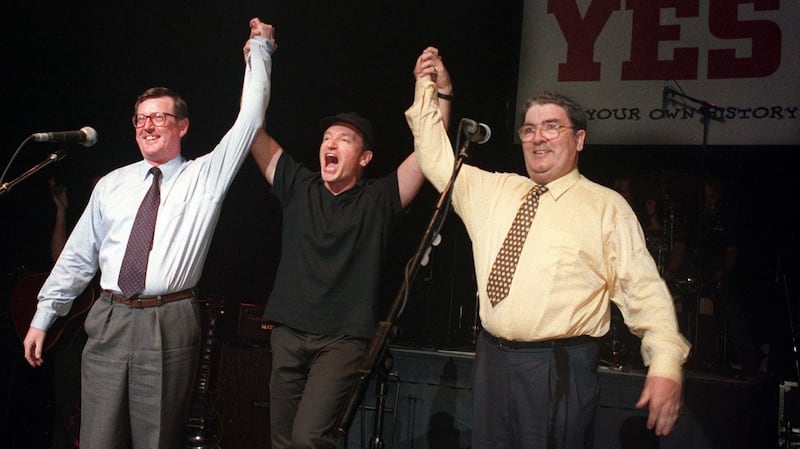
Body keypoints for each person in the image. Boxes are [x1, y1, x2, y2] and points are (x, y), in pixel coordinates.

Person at [21, 18, 276, 449]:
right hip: (108, 317)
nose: (148, 125)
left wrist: (261, 51)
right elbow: (78, 257)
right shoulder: (112, 184)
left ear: (182, 126)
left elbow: (250, 120)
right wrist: (45, 316)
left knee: (155, 441)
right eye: (141, 118)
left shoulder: (203, 177)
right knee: (96, 439)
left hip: (167, 319)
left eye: (160, 117)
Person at [405, 80, 691, 448]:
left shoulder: (605, 207)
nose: (538, 137)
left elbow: (644, 290)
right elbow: (433, 157)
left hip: (560, 366)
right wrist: (431, 90)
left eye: (552, 127)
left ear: (580, 139)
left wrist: (666, 364)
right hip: (492, 360)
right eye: (529, 129)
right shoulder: (494, 192)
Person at [247, 46, 452, 449]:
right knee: (282, 441)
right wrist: (258, 58)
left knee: (309, 439)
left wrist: (437, 93)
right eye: (327, 137)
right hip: (289, 332)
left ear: (365, 157)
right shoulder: (298, 185)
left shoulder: (378, 198)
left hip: (341, 341)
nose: (331, 144)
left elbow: (430, 152)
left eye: (344, 139)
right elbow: (251, 132)